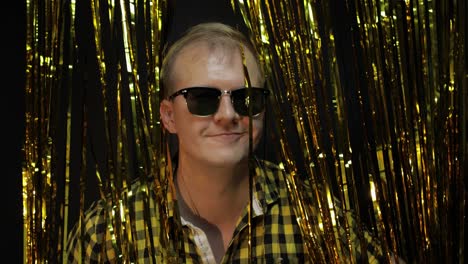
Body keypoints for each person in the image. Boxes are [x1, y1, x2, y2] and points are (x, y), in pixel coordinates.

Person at [66, 22, 386, 263]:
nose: (227, 114)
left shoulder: (316, 215)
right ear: (168, 116)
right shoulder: (106, 231)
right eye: (203, 98)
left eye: (247, 98)